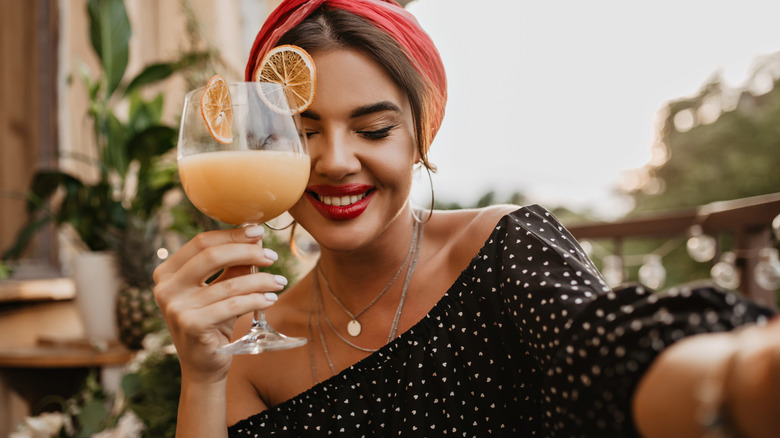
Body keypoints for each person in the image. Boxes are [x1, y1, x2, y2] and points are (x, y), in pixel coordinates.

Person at [153, 0, 780, 436]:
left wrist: (737, 379)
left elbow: (602, 353)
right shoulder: (250, 346)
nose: (337, 160)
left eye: (373, 129)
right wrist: (201, 376)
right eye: (302, 130)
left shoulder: (502, 248)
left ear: (422, 132)